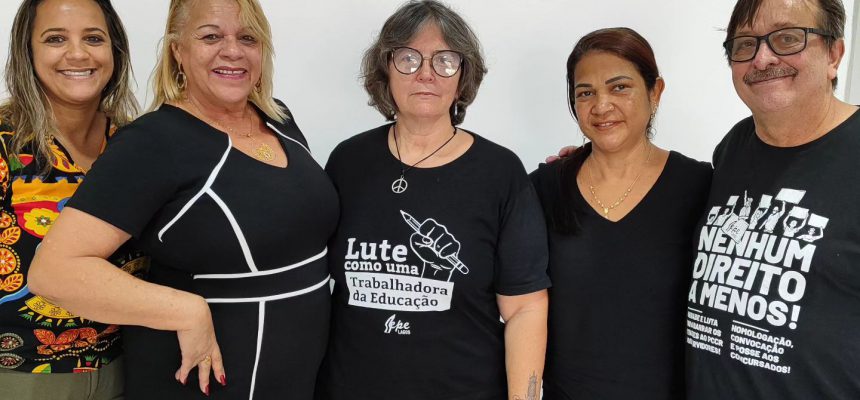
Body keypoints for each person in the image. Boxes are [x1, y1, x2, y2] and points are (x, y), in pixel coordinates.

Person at [29, 0, 339, 398]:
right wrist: (185, 310)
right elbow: (54, 271)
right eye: (211, 36)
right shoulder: (151, 142)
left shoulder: (279, 118)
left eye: (248, 38)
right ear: (178, 50)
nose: (233, 50)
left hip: (295, 380)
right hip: (204, 382)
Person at [315, 1, 550, 399]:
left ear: (463, 75)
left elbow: (525, 308)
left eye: (445, 60)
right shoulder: (348, 162)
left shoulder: (499, 173)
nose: (426, 73)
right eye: (408, 58)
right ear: (385, 69)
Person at [684, 0, 859, 398]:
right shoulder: (734, 147)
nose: (762, 59)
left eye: (787, 38)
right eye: (745, 44)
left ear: (834, 54)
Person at [530, 28, 711, 399]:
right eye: (585, 93)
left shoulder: (701, 187)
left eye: (619, 87)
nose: (601, 106)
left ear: (655, 92)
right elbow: (522, 308)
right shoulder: (544, 188)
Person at [0, 0, 143, 398]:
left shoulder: (137, 145)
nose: (78, 54)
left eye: (93, 38)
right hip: (18, 380)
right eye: (55, 39)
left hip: (127, 374)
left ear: (115, 50)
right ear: (27, 52)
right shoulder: (5, 144)